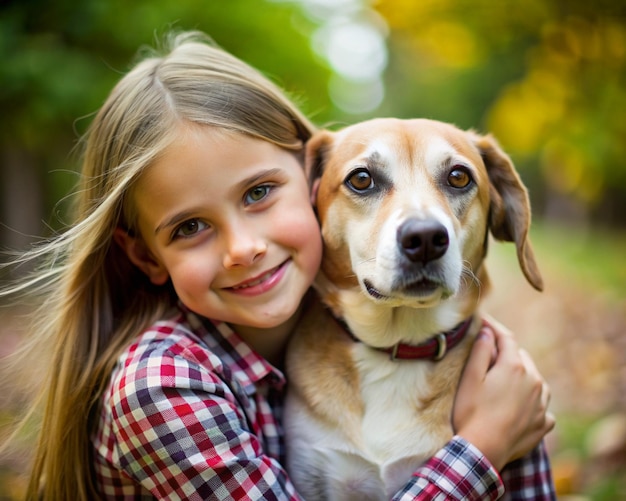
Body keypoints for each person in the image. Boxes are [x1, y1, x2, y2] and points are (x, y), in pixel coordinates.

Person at [0, 30, 555, 500]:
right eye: (364, 181)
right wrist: (481, 449)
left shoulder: (500, 379)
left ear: (305, 188)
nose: (422, 227)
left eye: (455, 179)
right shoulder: (162, 386)